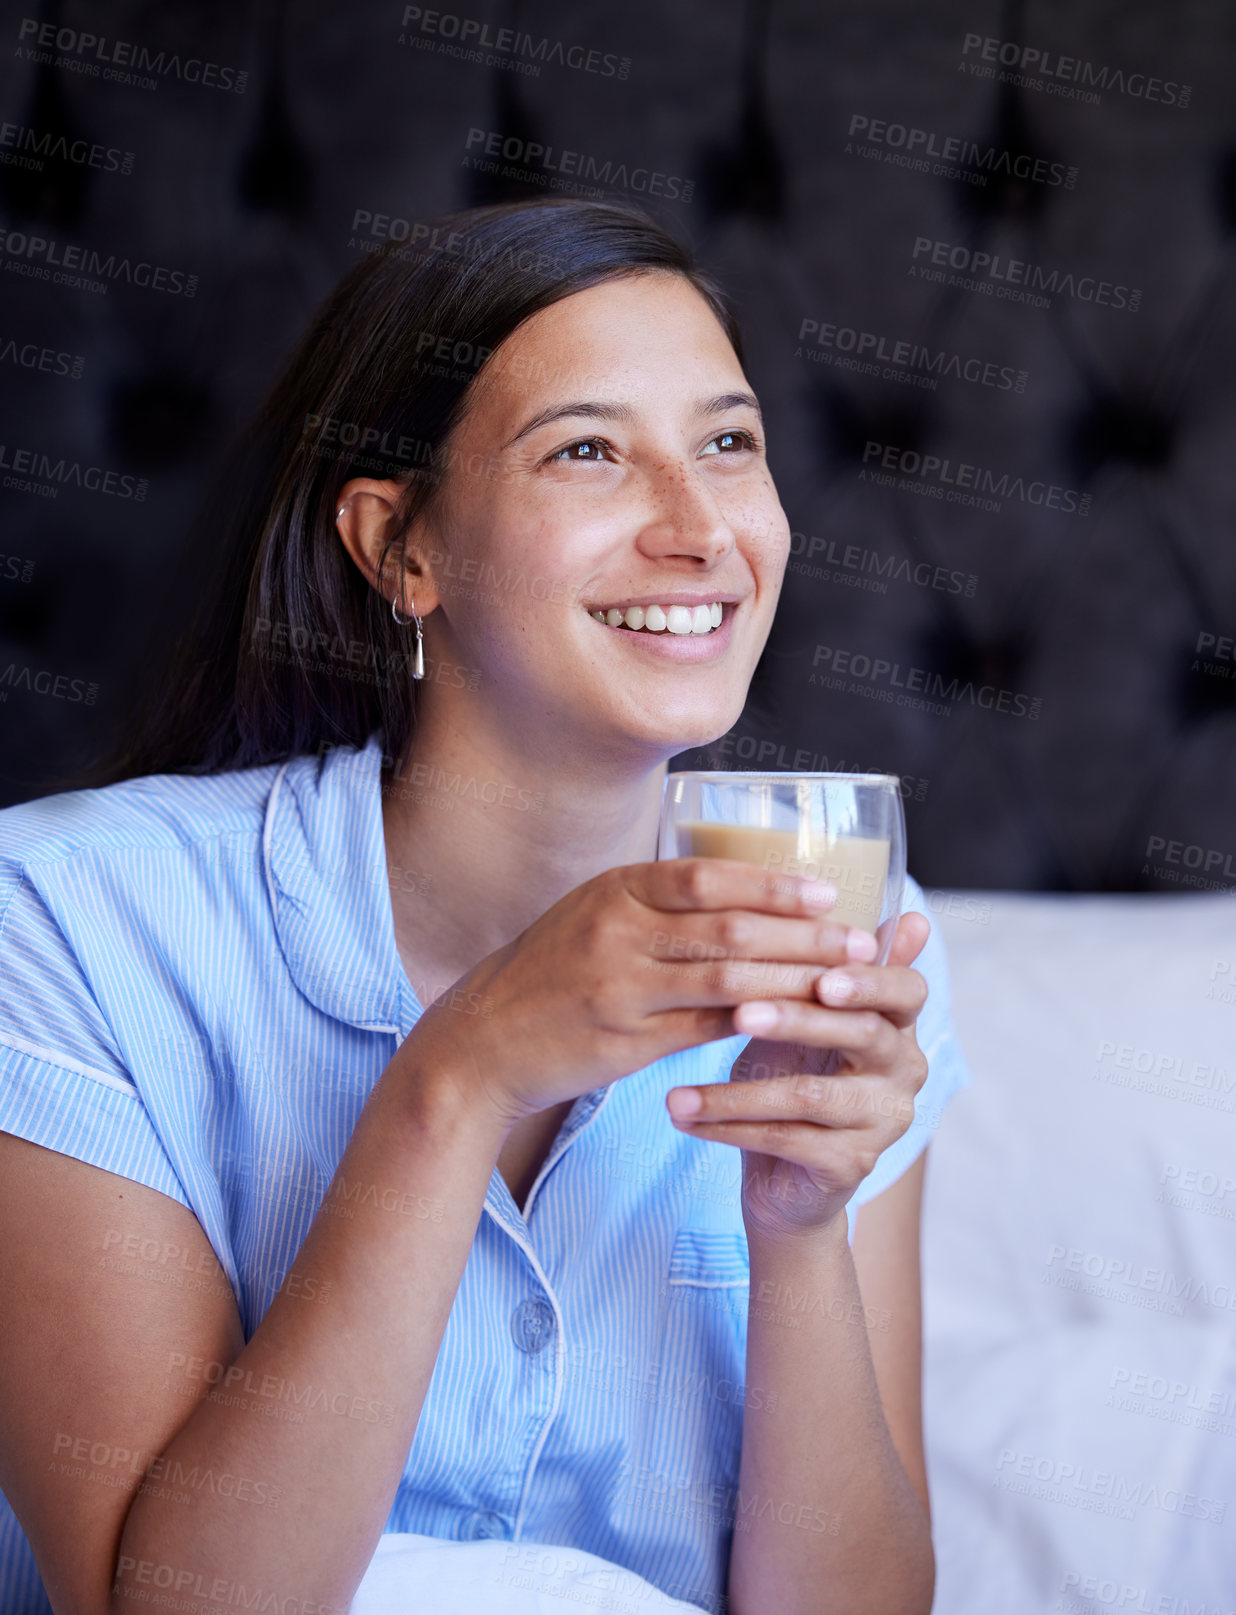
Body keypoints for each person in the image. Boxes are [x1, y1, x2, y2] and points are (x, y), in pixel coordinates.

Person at [0, 199, 972, 1615]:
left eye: (729, 444)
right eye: (589, 451)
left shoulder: (848, 936)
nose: (701, 530)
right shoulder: (69, 922)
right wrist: (461, 1074)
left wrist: (803, 1228)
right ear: (402, 548)